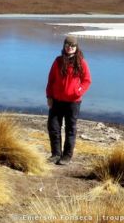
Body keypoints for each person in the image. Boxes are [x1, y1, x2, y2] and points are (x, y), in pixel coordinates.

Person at [46, 36, 91, 165]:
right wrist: (49, 96)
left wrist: (79, 91)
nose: (70, 48)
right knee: (53, 126)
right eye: (67, 45)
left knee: (70, 129)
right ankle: (56, 154)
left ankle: (66, 156)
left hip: (73, 102)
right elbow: (51, 80)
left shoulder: (81, 62)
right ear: (64, 46)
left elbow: (87, 80)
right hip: (57, 100)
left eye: (72, 46)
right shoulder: (58, 61)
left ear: (76, 48)